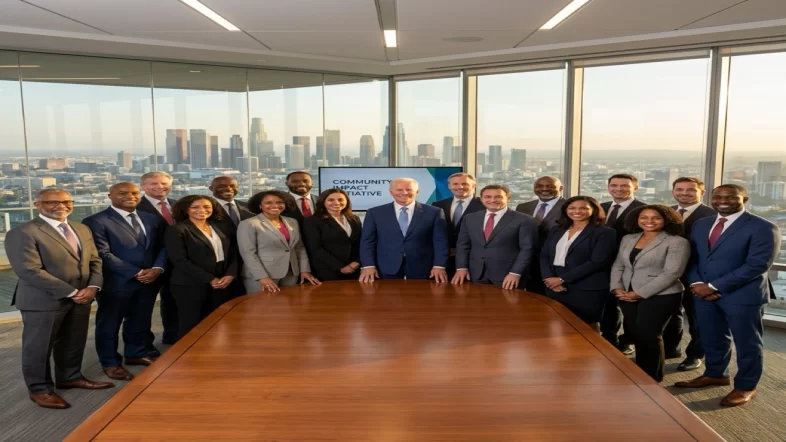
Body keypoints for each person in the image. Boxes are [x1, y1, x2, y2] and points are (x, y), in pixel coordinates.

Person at [5, 189, 113, 409]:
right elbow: (29, 270)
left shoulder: (81, 228)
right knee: (38, 347)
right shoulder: (24, 232)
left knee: (73, 341)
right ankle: (40, 390)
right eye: (52, 202)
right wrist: (72, 292)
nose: (60, 206)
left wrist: (93, 286)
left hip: (83, 296)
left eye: (65, 201)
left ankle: (70, 376)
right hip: (43, 300)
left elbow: (95, 260)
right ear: (37, 204)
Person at [675, 184, 780, 407]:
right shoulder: (702, 224)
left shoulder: (763, 227)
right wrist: (696, 283)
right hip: (703, 293)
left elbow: (757, 265)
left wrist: (713, 286)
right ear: (711, 198)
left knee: (747, 343)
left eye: (731, 197)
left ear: (745, 199)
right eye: (719, 196)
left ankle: (746, 386)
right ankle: (716, 374)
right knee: (712, 337)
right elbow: (692, 257)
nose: (724, 200)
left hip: (742, 296)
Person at [83, 183, 167, 381]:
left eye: (134, 193)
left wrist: (157, 268)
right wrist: (136, 272)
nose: (130, 196)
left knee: (140, 320)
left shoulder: (151, 218)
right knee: (109, 324)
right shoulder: (96, 221)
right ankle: (110, 362)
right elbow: (102, 253)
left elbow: (163, 247)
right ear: (109, 195)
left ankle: (136, 353)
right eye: (123, 193)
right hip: (116, 282)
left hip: (149, 280)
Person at [610, 205, 690, 382]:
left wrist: (638, 293)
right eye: (644, 217)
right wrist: (616, 287)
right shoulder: (628, 238)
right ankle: (640, 371)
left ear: (666, 220)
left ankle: (651, 378)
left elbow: (672, 272)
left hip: (662, 295)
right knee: (636, 333)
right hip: (626, 293)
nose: (649, 221)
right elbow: (619, 265)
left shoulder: (676, 241)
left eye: (656, 218)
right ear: (636, 220)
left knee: (649, 334)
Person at [662, 177, 717, 372]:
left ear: (701, 193)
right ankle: (670, 349)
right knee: (670, 314)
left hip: (697, 276)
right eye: (680, 189)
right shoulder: (666, 213)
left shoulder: (712, 215)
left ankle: (695, 355)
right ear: (673, 191)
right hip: (667, 274)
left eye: (690, 190)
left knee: (697, 319)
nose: (684, 193)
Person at [165, 195, 239, 339]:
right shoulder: (177, 229)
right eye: (195, 207)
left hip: (223, 280)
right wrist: (210, 279)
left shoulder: (220, 227)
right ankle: (188, 357)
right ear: (186, 210)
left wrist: (230, 274)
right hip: (190, 283)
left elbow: (233, 253)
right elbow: (179, 260)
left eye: (206, 207)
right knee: (192, 323)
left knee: (219, 320)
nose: (202, 210)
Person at [540, 196, 616, 329]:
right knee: (556, 324)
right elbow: (545, 255)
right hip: (554, 286)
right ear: (566, 210)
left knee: (585, 327)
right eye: (572, 208)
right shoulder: (557, 229)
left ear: (594, 210)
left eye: (583, 208)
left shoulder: (605, 232)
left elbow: (597, 262)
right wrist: (549, 278)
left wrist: (562, 279)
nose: (577, 211)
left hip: (586, 288)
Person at [359, 178, 449, 282]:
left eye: (409, 189)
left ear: (417, 192)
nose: (404, 193)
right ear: (391, 192)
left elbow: (440, 242)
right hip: (384, 268)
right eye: (399, 190)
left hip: (424, 268)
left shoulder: (434, 212)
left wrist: (439, 266)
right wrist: (368, 265)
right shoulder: (375, 213)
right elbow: (367, 242)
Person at [452, 185, 537, 289]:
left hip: (507, 276)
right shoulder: (470, 218)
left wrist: (515, 273)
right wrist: (461, 268)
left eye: (498, 197)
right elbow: (463, 245)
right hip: (475, 273)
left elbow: (527, 249)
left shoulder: (524, 220)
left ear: (508, 198)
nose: (493, 200)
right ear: (481, 199)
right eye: (488, 197)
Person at [238, 190, 320, 293]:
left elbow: (299, 247)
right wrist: (262, 277)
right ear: (260, 205)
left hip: (291, 273)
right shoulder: (249, 224)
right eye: (268, 203)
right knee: (263, 307)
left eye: (279, 202)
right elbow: (248, 253)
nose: (275, 205)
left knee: (288, 307)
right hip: (262, 275)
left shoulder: (292, 221)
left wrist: (304, 270)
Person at [600, 173, 646, 355]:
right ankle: (609, 338)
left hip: (632, 265)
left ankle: (628, 341)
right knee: (608, 304)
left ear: (635, 187)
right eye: (614, 185)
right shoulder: (600, 207)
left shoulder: (645, 209)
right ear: (608, 187)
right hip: (603, 264)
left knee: (630, 306)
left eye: (624, 185)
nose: (618, 189)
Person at [136, 171, 178, 345]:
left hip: (177, 263)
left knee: (173, 301)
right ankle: (142, 347)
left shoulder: (177, 205)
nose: (160, 187)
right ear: (143, 187)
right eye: (154, 183)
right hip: (149, 264)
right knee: (142, 309)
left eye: (164, 183)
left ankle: (173, 336)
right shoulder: (135, 206)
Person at [516, 176, 566, 294]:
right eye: (540, 186)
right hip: (528, 264)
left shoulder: (569, 207)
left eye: (550, 186)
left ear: (561, 188)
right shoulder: (523, 207)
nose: (544, 189)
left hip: (555, 264)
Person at [302, 189, 362, 281]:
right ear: (323, 202)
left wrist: (357, 262)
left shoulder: (354, 219)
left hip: (354, 269)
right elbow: (316, 248)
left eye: (340, 199)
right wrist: (341, 267)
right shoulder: (312, 221)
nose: (336, 202)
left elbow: (361, 243)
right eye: (331, 200)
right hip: (328, 271)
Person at [432, 172, 484, 276]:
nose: (460, 187)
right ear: (449, 186)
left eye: (465, 184)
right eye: (455, 184)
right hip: (444, 260)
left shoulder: (484, 206)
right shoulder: (438, 205)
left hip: (472, 259)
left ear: (473, 185)